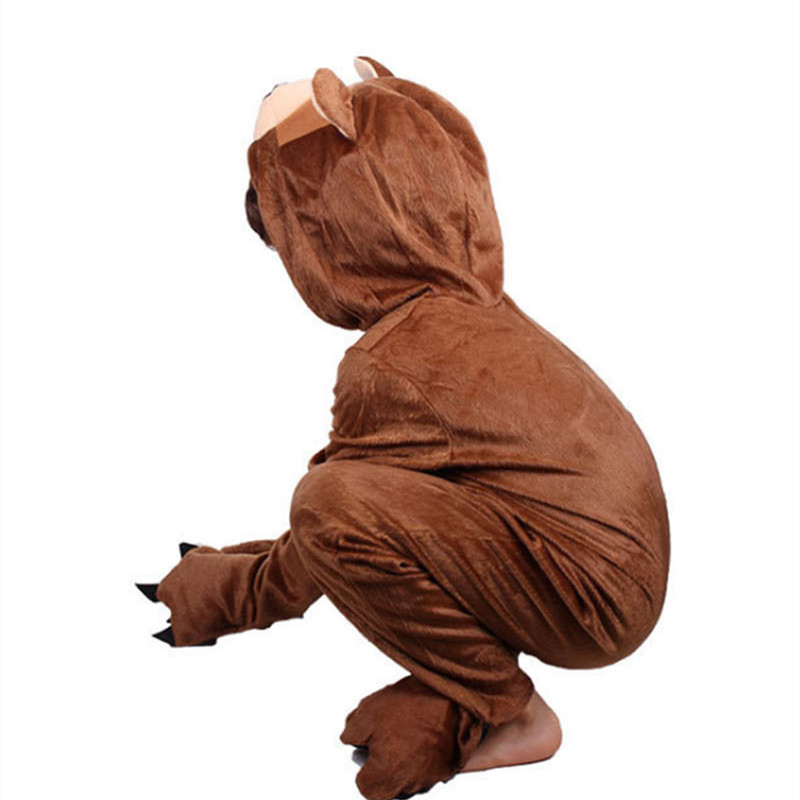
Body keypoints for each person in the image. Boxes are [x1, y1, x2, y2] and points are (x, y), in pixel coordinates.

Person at [137, 56, 670, 800]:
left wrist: (235, 595)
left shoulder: (388, 362)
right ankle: (457, 684)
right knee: (354, 500)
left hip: (587, 604)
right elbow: (400, 505)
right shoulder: (476, 309)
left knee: (327, 502)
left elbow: (335, 525)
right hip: (609, 571)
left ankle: (513, 713)